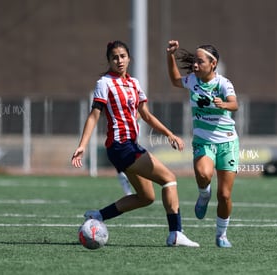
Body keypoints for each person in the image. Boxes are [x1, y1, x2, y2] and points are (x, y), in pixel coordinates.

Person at [71, 40, 199, 247]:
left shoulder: (134, 83)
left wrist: (169, 134)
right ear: (109, 61)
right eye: (114, 57)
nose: (119, 61)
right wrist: (82, 145)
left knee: (146, 197)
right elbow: (94, 116)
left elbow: (146, 115)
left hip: (131, 146)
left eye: (122, 56)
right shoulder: (104, 83)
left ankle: (98, 215)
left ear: (129, 58)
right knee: (169, 179)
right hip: (120, 147)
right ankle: (176, 233)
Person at [166, 40, 239, 248]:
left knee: (225, 195)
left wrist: (224, 104)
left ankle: (221, 235)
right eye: (194, 62)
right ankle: (203, 194)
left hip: (228, 142)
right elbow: (174, 80)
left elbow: (235, 104)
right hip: (204, 140)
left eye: (200, 62)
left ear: (213, 63)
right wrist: (170, 55)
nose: (195, 65)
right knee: (204, 174)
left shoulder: (223, 83)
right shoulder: (192, 80)